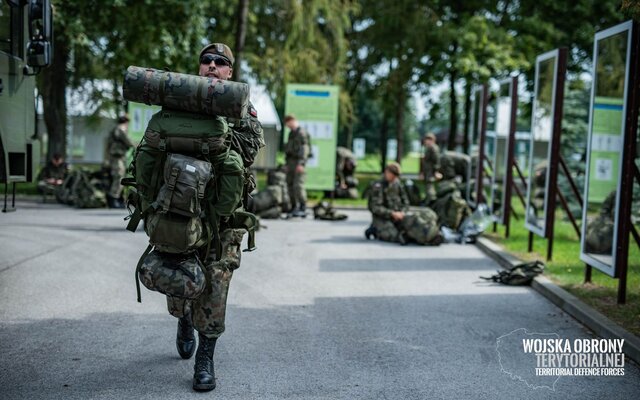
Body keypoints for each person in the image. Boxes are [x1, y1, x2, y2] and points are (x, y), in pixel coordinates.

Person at [162, 42, 264, 392]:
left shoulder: (241, 108)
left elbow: (249, 151)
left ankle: (205, 358)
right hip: (182, 208)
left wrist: (216, 126)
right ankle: (184, 318)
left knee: (216, 283)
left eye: (220, 62)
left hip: (224, 214)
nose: (212, 66)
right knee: (177, 277)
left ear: (229, 72)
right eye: (206, 61)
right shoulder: (180, 100)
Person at [365, 162, 442, 245]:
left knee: (418, 219)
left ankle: (430, 234)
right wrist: (392, 214)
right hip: (383, 217)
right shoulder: (378, 186)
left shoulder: (397, 184)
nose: (395, 178)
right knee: (394, 236)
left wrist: (402, 212)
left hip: (399, 215)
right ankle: (375, 229)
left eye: (396, 176)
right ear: (387, 172)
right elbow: (374, 207)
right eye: (393, 175)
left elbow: (405, 201)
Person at [283, 114, 311, 217]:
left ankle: (303, 207)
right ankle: (294, 207)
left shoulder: (301, 133)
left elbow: (305, 149)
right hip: (290, 163)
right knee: (289, 185)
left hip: (298, 163)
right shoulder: (291, 134)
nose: (287, 126)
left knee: (298, 186)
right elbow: (288, 150)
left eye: (287, 123)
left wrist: (301, 163)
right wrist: (286, 164)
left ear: (292, 121)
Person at [106, 115, 134, 208]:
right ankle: (113, 200)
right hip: (117, 157)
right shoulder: (120, 129)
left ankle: (117, 199)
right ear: (125, 122)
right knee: (118, 177)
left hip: (117, 157)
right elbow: (129, 142)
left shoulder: (115, 129)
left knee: (119, 177)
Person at [420, 132, 441, 205]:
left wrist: (436, 171)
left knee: (429, 187)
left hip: (430, 171)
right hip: (427, 171)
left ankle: (431, 202)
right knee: (427, 186)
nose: (426, 141)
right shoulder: (428, 148)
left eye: (429, 139)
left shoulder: (433, 148)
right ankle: (428, 200)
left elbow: (436, 161)